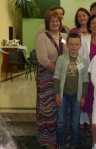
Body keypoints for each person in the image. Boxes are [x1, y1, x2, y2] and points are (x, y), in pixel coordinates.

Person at [35, 11, 68, 149]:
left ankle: (63, 137)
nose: (55, 23)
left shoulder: (64, 36)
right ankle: (48, 139)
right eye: (52, 21)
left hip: (64, 77)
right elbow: (42, 59)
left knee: (63, 108)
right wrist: (59, 70)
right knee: (49, 109)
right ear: (47, 23)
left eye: (57, 20)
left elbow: (70, 52)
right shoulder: (42, 37)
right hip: (48, 76)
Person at [53, 33, 89, 149]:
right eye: (71, 44)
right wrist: (57, 94)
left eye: (76, 44)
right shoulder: (61, 59)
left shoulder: (83, 60)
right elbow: (57, 76)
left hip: (76, 96)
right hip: (63, 95)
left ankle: (74, 144)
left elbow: (85, 79)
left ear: (80, 45)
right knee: (61, 122)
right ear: (67, 45)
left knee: (75, 123)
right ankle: (61, 144)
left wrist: (83, 96)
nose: (74, 47)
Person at [79, 15, 96, 137]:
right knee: (90, 101)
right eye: (93, 23)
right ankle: (91, 124)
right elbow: (79, 59)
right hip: (88, 76)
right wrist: (81, 73)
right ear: (89, 26)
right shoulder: (84, 40)